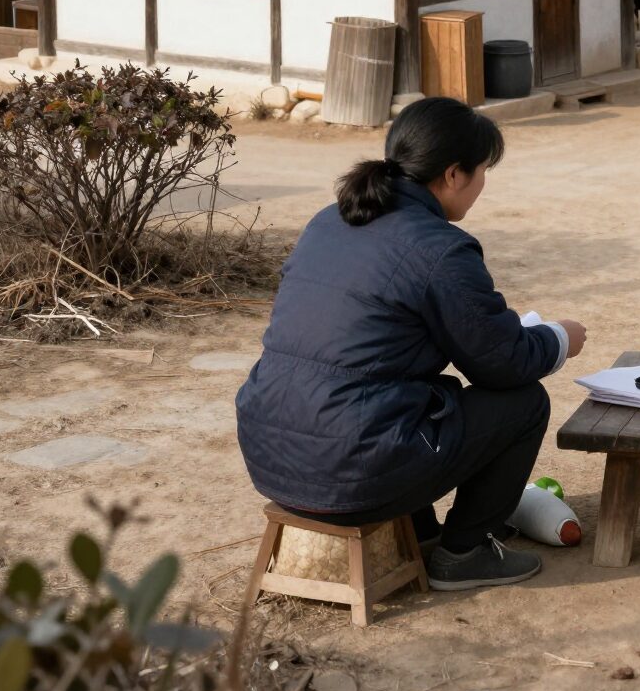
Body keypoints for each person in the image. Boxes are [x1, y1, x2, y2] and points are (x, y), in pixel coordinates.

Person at [236, 98, 588, 592]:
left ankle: (420, 533)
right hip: (349, 471)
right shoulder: (440, 248)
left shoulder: (329, 220)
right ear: (452, 175)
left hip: (270, 454)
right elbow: (503, 364)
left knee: (407, 393)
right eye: (483, 171)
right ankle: (464, 553)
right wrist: (559, 337)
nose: (483, 185)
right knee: (522, 402)